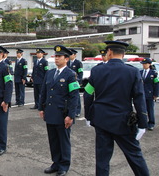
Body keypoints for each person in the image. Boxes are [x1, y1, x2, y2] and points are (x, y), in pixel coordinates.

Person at [84, 41, 149, 176]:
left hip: (101, 119)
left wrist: (88, 116)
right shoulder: (133, 72)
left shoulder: (97, 70)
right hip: (123, 121)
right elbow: (139, 99)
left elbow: (88, 93)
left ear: (109, 52)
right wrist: (142, 123)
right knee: (134, 155)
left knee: (102, 158)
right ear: (123, 54)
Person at [38, 45, 79, 176]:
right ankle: (56, 163)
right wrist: (41, 108)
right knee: (53, 140)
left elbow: (74, 97)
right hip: (50, 112)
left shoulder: (71, 75)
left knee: (63, 141)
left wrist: (71, 115)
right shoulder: (50, 73)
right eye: (55, 56)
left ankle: (64, 165)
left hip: (63, 114)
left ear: (66, 59)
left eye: (59, 56)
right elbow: (43, 92)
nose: (56, 59)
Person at [140, 57, 159, 131]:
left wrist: (156, 94)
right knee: (142, 109)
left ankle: (151, 123)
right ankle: (143, 122)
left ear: (149, 64)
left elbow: (156, 84)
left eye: (145, 64)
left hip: (150, 94)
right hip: (142, 93)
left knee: (150, 109)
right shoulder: (140, 72)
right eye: (143, 64)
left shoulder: (153, 73)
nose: (144, 65)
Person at [67, 49, 83, 117]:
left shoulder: (78, 63)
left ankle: (77, 111)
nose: (70, 56)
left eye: (71, 54)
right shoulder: (67, 62)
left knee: (76, 97)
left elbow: (80, 73)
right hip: (68, 82)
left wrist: (79, 81)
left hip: (75, 82)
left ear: (75, 55)